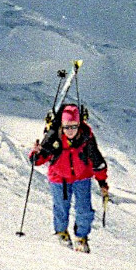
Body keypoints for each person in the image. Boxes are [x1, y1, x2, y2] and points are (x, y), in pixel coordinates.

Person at [30, 102, 109, 252]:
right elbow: (40, 159)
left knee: (84, 209)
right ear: (62, 126)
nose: (70, 130)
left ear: (79, 124)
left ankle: (81, 238)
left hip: (82, 177)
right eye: (67, 127)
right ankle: (62, 233)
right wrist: (35, 154)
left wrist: (102, 181)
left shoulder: (86, 137)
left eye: (73, 126)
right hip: (59, 178)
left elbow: (97, 160)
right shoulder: (54, 138)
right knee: (61, 207)